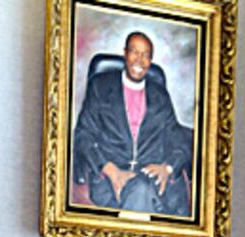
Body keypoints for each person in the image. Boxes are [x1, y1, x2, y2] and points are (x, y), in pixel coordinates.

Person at [73, 31, 192, 216]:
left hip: (150, 176)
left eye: (146, 55)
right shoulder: (100, 86)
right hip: (110, 176)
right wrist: (110, 169)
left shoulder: (159, 95)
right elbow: (83, 135)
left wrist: (167, 168)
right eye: (134, 52)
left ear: (150, 61)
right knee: (141, 195)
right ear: (125, 53)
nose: (139, 60)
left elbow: (177, 137)